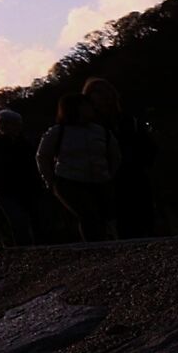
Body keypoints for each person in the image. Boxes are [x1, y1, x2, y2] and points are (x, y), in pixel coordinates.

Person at [37, 93, 120, 242]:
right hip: (69, 180)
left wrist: (109, 174)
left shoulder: (100, 131)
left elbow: (114, 154)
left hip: (100, 180)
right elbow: (43, 156)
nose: (91, 109)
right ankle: (96, 248)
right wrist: (50, 181)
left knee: (103, 216)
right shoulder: (57, 132)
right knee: (88, 215)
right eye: (85, 106)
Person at [83, 78, 156, 238]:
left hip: (135, 175)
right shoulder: (87, 127)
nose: (103, 96)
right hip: (106, 180)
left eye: (105, 91)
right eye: (98, 92)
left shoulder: (129, 121)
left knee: (145, 222)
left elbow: (146, 146)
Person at [0, 109, 48, 246]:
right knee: (18, 220)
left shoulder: (27, 142)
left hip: (29, 186)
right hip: (5, 189)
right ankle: (25, 249)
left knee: (35, 219)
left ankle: (39, 247)